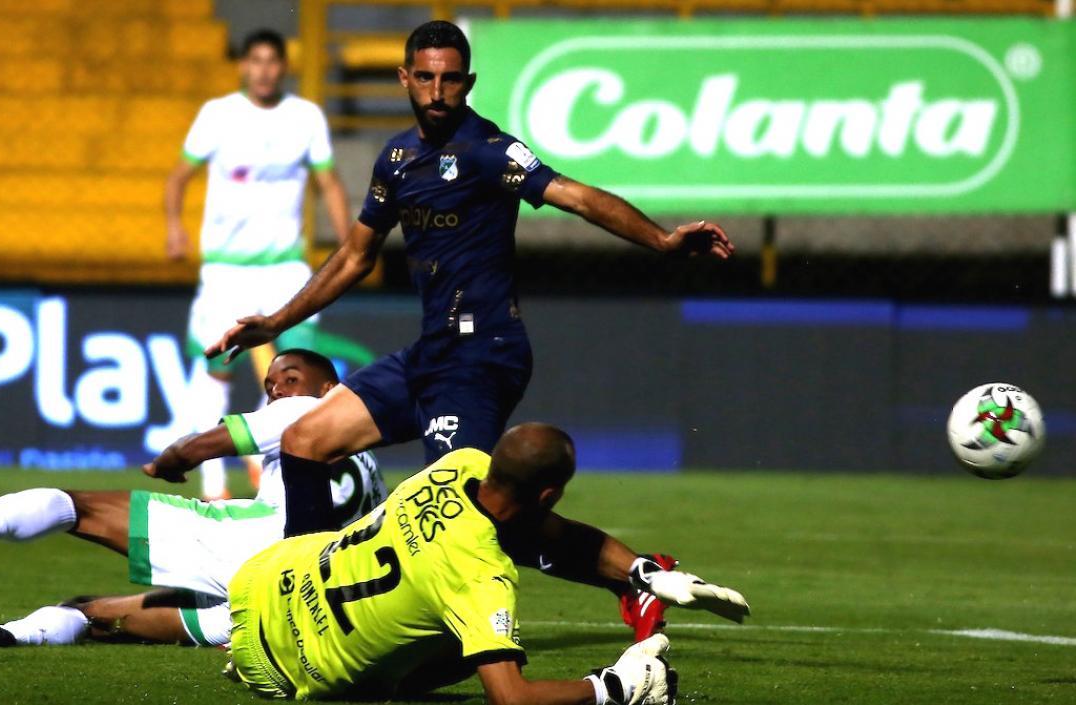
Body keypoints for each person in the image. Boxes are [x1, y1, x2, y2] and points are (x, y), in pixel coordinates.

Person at [205, 20, 734, 638]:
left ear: (468, 82)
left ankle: (637, 574)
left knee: (476, 517)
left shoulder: (488, 149)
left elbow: (575, 195)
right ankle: (299, 600)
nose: (436, 92)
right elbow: (354, 257)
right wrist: (274, 321)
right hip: (429, 354)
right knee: (303, 442)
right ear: (404, 78)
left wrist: (663, 241)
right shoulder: (397, 160)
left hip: (483, 355)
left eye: (450, 79)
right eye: (424, 78)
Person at [0, 350, 387, 649]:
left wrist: (168, 462)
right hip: (299, 599)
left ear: (328, 386)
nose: (277, 391)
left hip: (247, 548)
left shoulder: (304, 410)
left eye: (290, 379)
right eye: (271, 383)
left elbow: (205, 445)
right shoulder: (370, 456)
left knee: (78, 505)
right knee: (96, 615)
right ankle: (4, 636)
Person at [225, 423, 746, 702]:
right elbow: (511, 700)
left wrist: (642, 574)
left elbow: (557, 538)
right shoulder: (483, 578)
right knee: (478, 645)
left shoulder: (459, 464)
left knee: (451, 621)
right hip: (289, 674)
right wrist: (614, 687)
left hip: (262, 582)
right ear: (549, 494)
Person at [164, 28, 364, 500]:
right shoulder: (218, 115)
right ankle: (214, 483)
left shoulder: (305, 117)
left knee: (297, 372)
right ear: (244, 66)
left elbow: (329, 184)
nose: (264, 70)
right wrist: (175, 226)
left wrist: (351, 243)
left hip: (285, 268)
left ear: (283, 67)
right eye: (255, 60)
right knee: (216, 369)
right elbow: (178, 177)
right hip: (225, 269)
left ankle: (260, 455)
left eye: (272, 61)